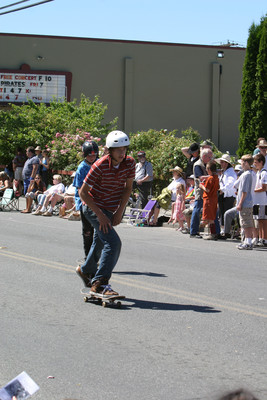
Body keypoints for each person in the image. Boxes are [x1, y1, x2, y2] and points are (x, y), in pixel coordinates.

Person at [76, 130, 135, 296]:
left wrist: (119, 212)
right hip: (93, 207)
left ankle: (86, 269)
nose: (122, 153)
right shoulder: (99, 165)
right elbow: (83, 193)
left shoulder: (129, 163)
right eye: (118, 150)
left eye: (124, 149)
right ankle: (100, 283)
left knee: (100, 243)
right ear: (109, 150)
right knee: (113, 243)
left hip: (110, 209)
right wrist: (100, 215)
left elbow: (128, 188)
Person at [73, 140, 99, 260]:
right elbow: (79, 188)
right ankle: (87, 256)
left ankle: (97, 256)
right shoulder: (82, 168)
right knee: (88, 232)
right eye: (90, 155)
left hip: (98, 201)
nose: (92, 157)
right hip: (85, 202)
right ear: (85, 154)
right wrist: (83, 202)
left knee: (99, 232)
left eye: (94, 155)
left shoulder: (99, 164)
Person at [190, 148, 213, 238]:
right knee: (197, 209)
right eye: (209, 157)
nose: (210, 159)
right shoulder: (198, 165)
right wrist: (212, 176)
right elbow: (200, 177)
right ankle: (193, 231)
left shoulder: (205, 163)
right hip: (200, 191)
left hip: (207, 191)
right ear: (204, 156)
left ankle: (213, 231)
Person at [235, 154, 254, 250]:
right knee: (247, 222)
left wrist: (240, 203)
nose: (241, 164)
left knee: (245, 223)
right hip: (248, 203)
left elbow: (244, 191)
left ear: (246, 163)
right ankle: (247, 241)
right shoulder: (248, 173)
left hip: (245, 203)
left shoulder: (247, 175)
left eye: (242, 162)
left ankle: (248, 242)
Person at [215, 154, 237, 231]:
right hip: (224, 195)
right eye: (221, 162)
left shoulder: (230, 172)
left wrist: (223, 189)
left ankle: (227, 230)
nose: (221, 164)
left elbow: (231, 182)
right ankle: (224, 229)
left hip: (228, 195)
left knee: (226, 212)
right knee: (222, 212)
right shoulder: (226, 172)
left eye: (222, 162)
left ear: (227, 163)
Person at [199, 160, 220, 240]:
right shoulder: (216, 178)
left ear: (209, 170)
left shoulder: (210, 178)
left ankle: (212, 234)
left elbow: (207, 190)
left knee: (210, 218)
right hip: (214, 198)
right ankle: (212, 233)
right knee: (212, 217)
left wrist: (201, 186)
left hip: (208, 199)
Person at [253, 153, 267, 247]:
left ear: (261, 162)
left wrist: (253, 190)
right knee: (259, 220)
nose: (254, 164)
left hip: (263, 200)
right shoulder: (257, 172)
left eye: (256, 162)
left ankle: (265, 239)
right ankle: (261, 238)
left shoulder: (264, 173)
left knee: (263, 220)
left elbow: (264, 187)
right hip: (257, 200)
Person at [21, 146, 40, 213]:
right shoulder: (29, 159)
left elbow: (35, 168)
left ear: (30, 152)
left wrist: (32, 178)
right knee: (26, 193)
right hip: (26, 179)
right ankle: (27, 208)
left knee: (30, 193)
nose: (26, 153)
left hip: (30, 179)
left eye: (27, 151)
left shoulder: (34, 159)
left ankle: (29, 208)